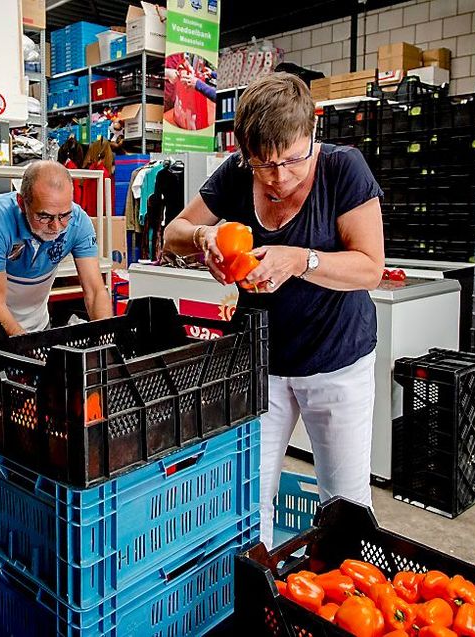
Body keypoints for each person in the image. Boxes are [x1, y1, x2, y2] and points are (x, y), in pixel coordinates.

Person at [163, 72, 385, 548]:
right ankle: (257, 597)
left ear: (312, 134)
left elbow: (370, 268)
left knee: (343, 503)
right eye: (263, 164)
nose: (279, 176)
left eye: (292, 160)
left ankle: (336, 607)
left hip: (337, 361)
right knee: (245, 498)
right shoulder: (237, 173)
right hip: (260, 362)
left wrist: (301, 259)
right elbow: (173, 233)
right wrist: (204, 240)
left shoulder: (345, 170)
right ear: (245, 151)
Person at [0, 160, 113, 335]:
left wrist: (106, 339)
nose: (56, 227)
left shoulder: (78, 221)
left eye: (64, 215)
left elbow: (95, 291)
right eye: (44, 216)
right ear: (22, 203)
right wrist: (29, 350)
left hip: (37, 327)